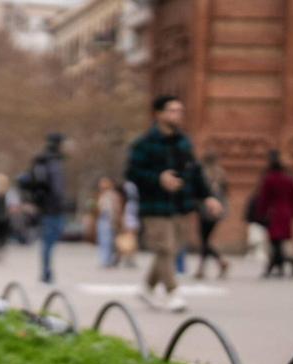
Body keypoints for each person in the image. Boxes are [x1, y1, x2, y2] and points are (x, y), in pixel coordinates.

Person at [125, 95, 222, 312]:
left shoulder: (184, 143)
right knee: (165, 248)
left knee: (171, 249)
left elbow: (195, 172)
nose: (177, 115)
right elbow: (132, 173)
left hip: (180, 205)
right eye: (172, 110)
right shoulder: (144, 144)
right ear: (159, 114)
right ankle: (173, 292)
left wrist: (208, 197)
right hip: (155, 206)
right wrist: (158, 178)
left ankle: (147, 287)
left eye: (180, 110)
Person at [21, 133, 68, 283]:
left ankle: (46, 271)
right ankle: (46, 272)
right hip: (49, 207)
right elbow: (49, 186)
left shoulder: (52, 161)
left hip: (54, 206)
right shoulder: (48, 162)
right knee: (48, 240)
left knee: (52, 237)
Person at [257, 149, 293, 278]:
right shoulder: (289, 178)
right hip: (286, 212)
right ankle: (281, 266)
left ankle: (284, 263)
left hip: (274, 213)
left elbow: (264, 198)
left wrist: (261, 212)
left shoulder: (269, 179)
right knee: (279, 241)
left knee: (275, 242)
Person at [195, 152, 230, 279]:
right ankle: (215, 264)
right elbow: (226, 192)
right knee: (206, 240)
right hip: (219, 210)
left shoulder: (203, 173)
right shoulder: (221, 173)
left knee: (205, 240)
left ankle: (214, 264)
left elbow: (199, 191)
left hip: (206, 210)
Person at [95, 177, 120, 268]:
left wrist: (116, 220)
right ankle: (105, 260)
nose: (101, 185)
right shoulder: (101, 194)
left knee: (108, 241)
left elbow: (116, 209)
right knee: (103, 240)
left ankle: (107, 260)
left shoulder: (112, 195)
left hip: (109, 219)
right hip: (102, 219)